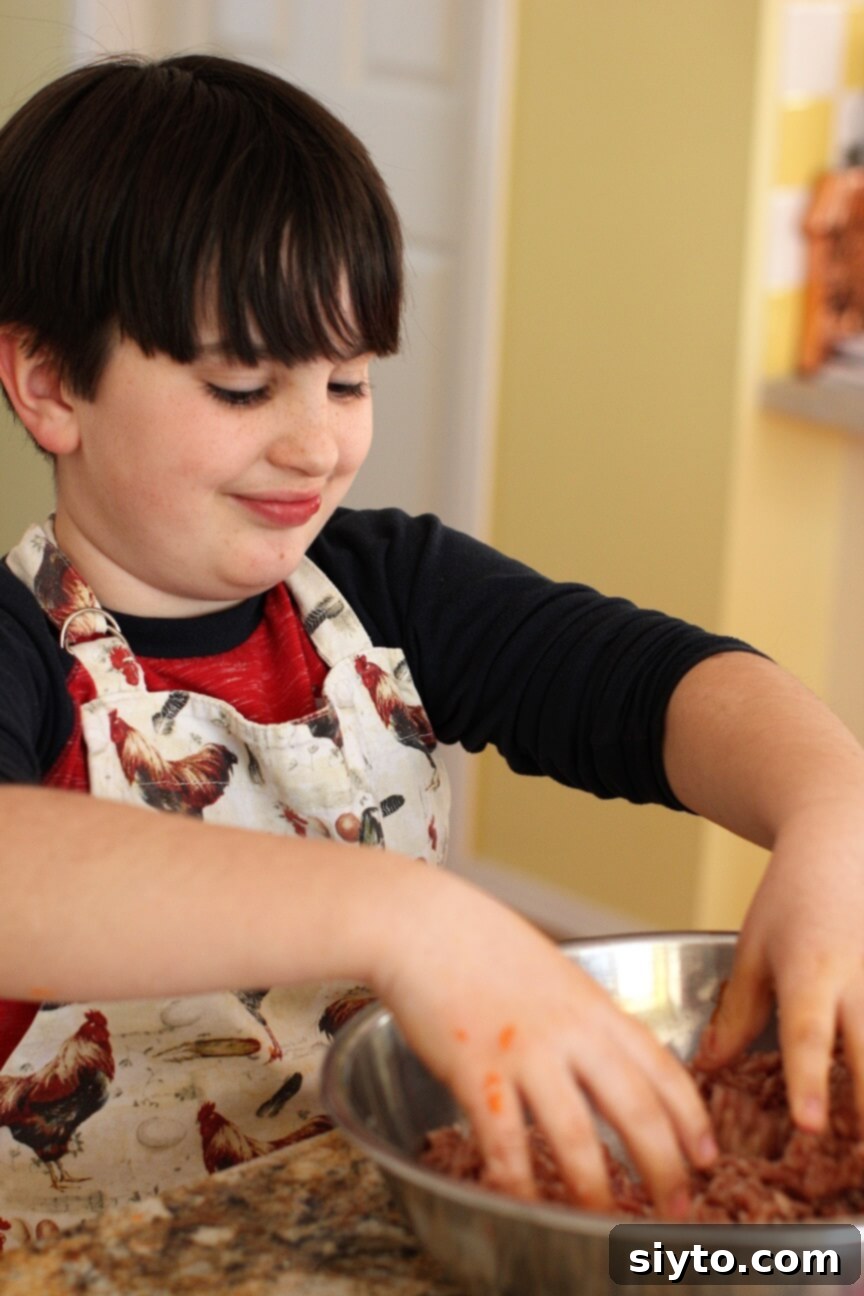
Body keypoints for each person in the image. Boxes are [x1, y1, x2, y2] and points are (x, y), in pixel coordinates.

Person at [0, 52, 863, 1246]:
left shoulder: (386, 589)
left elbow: (657, 683)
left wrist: (834, 812)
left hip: (376, 1222)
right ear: (51, 385)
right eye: (245, 387)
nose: (317, 446)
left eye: (348, 380)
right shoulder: (17, 649)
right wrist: (407, 918)